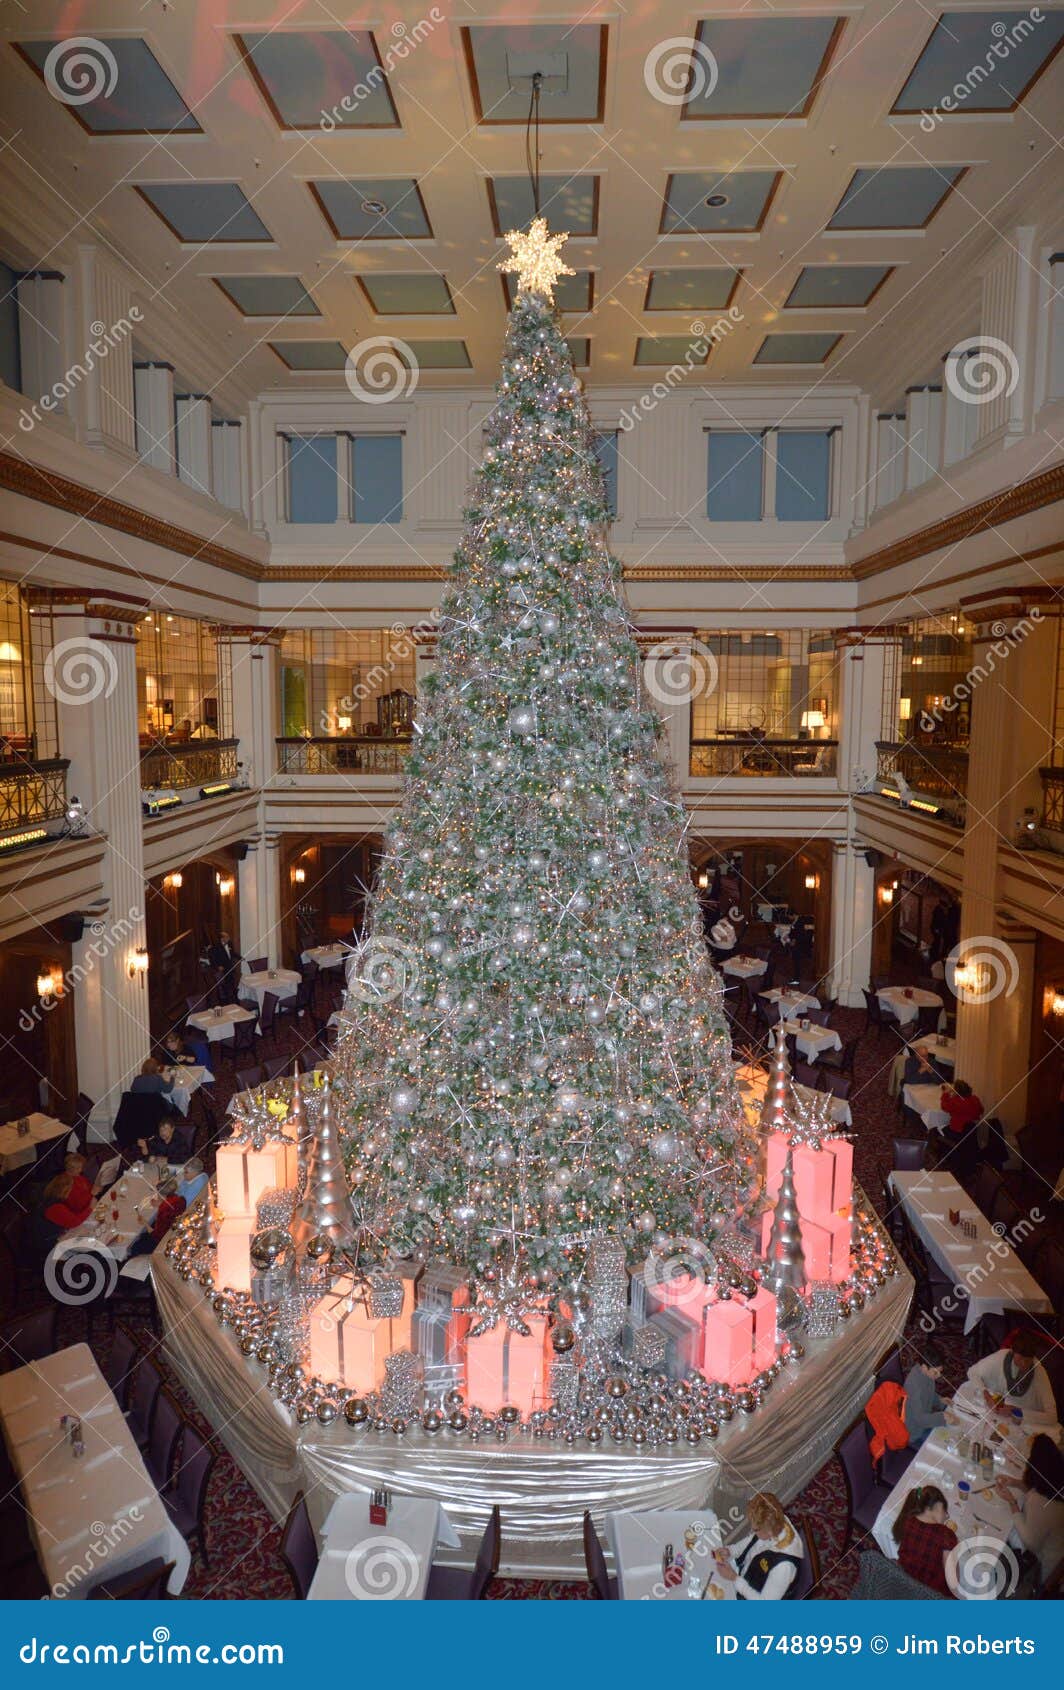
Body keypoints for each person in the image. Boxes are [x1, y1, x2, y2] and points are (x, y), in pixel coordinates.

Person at [713, 1492, 805, 1600]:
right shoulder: (775, 1520)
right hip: (744, 1576)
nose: (752, 1530)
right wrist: (731, 1551)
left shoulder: (783, 1567)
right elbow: (750, 1542)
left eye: (755, 1529)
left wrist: (734, 1579)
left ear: (769, 1532)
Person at [1000, 1435, 1064, 1588]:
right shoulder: (1055, 1483)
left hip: (1047, 1569)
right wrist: (1015, 1483)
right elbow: (1035, 1491)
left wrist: (1012, 1502)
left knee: (1007, 1529)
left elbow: (1030, 1543)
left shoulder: (1040, 1501)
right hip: (1056, 1548)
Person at [966, 1330, 1057, 1422]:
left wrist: (1016, 1411)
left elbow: (1052, 1417)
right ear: (1012, 1351)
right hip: (1001, 1414)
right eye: (1020, 1358)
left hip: (1026, 1420)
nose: (1023, 1364)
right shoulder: (1002, 1357)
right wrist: (986, 1395)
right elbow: (972, 1372)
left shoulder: (1039, 1372)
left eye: (1028, 1360)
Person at [892, 1485, 957, 1597]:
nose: (946, 1516)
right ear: (936, 1505)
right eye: (945, 1511)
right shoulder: (946, 1535)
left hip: (902, 1584)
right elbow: (953, 1580)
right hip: (930, 1594)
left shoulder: (908, 1520)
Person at [903, 1343, 951, 1447]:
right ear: (924, 1367)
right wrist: (942, 1417)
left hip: (924, 1419)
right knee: (946, 1444)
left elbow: (928, 1394)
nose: (939, 1376)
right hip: (915, 1432)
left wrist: (939, 1400)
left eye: (940, 1372)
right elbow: (920, 1420)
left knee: (952, 1432)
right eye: (936, 1372)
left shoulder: (926, 1374)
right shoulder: (914, 1386)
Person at [127, 1176, 186, 1257]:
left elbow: (156, 1235)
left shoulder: (164, 1209)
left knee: (134, 1246)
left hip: (162, 1243)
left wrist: (145, 1223)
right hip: (174, 1233)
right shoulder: (179, 1199)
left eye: (157, 1193)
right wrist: (160, 1203)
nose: (156, 1195)